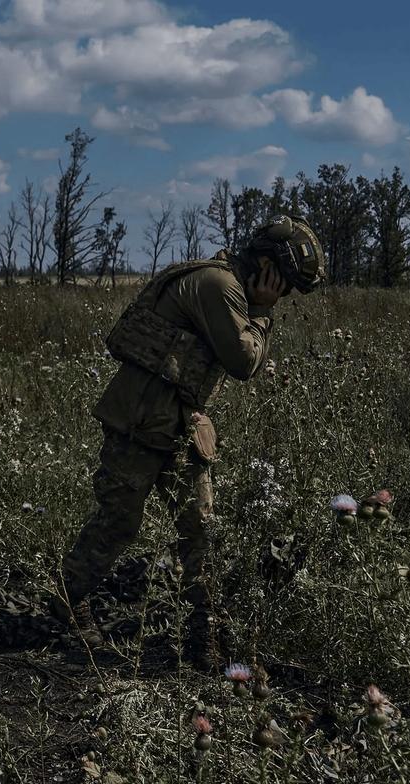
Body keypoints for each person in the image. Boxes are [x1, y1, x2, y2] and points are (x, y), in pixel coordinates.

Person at [52, 215, 326, 668]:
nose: (286, 294)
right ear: (267, 264)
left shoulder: (228, 283)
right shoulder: (218, 285)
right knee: (118, 522)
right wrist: (260, 313)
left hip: (181, 424)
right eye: (286, 284)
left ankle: (204, 633)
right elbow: (243, 361)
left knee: (200, 529)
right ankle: (68, 599)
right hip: (140, 422)